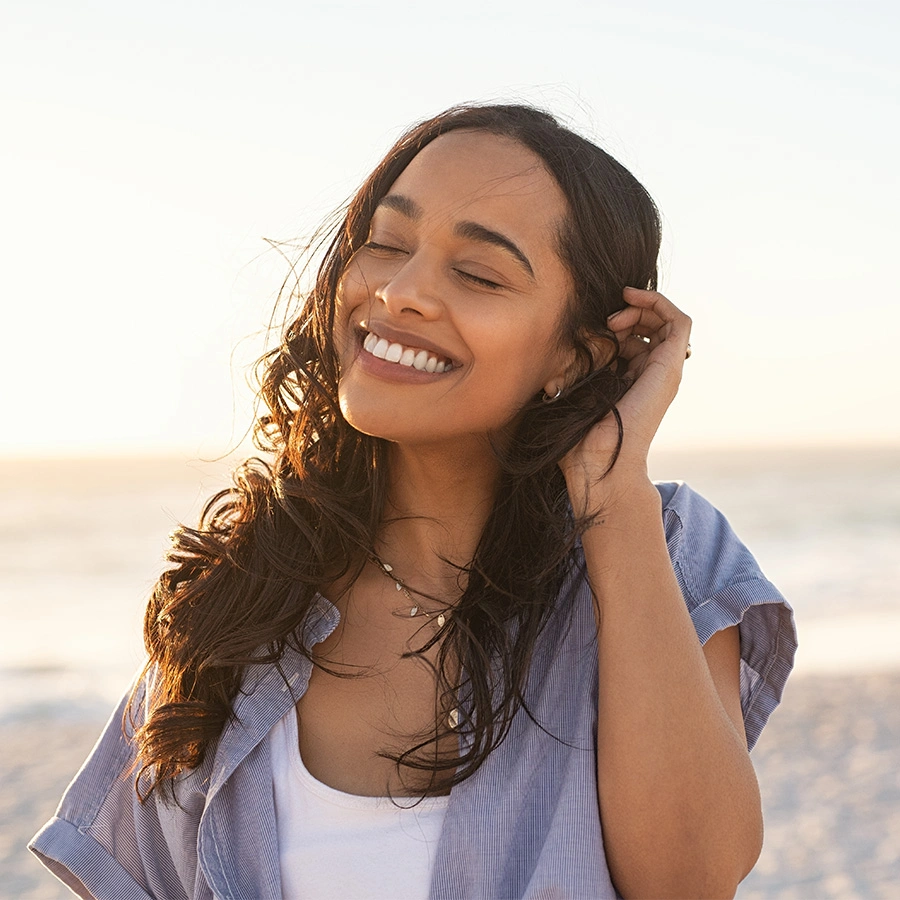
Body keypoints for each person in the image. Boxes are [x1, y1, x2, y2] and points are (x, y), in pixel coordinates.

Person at [30, 103, 795, 900]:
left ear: (575, 353)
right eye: (388, 245)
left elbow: (691, 880)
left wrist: (613, 496)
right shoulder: (237, 598)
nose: (401, 293)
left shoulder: (662, 549)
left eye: (477, 274)